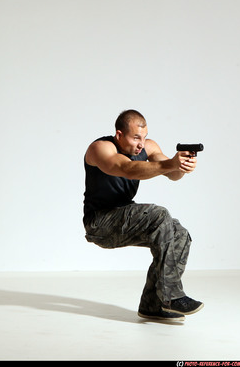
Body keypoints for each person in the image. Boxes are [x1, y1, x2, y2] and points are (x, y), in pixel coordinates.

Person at [82, 109, 203, 321]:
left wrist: (183, 165)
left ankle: (152, 306)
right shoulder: (100, 148)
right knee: (159, 215)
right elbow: (127, 168)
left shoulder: (148, 147)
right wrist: (170, 164)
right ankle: (171, 296)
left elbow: (173, 174)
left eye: (144, 137)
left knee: (179, 234)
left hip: (125, 216)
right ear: (119, 134)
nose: (141, 143)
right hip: (100, 222)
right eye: (135, 137)